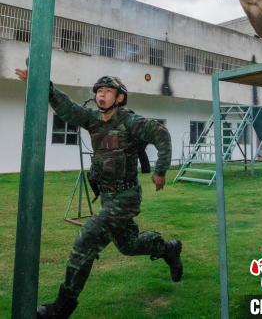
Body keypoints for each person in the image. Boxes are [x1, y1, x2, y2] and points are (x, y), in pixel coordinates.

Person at [15, 70, 183, 319]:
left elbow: (162, 134)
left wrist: (160, 171)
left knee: (87, 237)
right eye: (98, 92)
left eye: (107, 92)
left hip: (126, 196)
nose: (101, 96)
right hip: (107, 197)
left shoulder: (130, 122)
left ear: (120, 98)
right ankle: (169, 248)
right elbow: (69, 109)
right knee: (128, 246)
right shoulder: (93, 120)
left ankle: (62, 307)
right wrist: (46, 88)